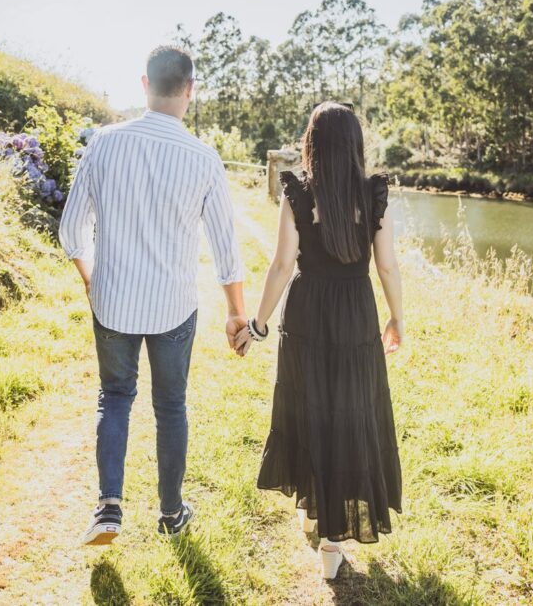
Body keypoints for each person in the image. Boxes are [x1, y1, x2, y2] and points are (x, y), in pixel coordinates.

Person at [59, 45, 247, 545]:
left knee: (115, 397)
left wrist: (89, 277)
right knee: (171, 406)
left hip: (114, 301)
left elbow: (71, 228)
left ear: (144, 85)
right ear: (190, 90)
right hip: (173, 308)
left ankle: (108, 511)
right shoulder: (204, 159)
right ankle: (170, 513)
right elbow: (227, 250)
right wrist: (237, 314)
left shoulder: (102, 143)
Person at [235, 102, 404, 579]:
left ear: (311, 144)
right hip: (354, 312)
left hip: (308, 310)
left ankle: (319, 517)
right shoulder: (373, 194)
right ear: (355, 145)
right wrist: (396, 318)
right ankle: (331, 542)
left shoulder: (298, 194)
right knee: (350, 410)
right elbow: (387, 265)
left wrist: (259, 323)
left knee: (312, 405)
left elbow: (281, 266)